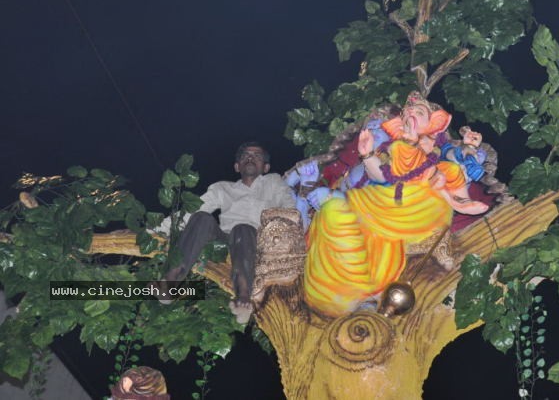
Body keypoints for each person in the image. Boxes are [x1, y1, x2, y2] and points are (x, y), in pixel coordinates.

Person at [303, 92, 489, 317]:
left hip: (411, 206)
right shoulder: (391, 147)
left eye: (418, 112)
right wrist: (368, 154)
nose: (410, 114)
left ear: (433, 124)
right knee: (332, 213)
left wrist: (469, 148)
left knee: (446, 172)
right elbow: (382, 177)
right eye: (406, 112)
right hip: (376, 203)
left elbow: (457, 161)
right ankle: (353, 294)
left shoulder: (438, 154)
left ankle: (461, 203)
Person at [157, 142, 295, 323]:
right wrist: (155, 229)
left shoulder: (274, 182)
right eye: (245, 155)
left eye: (257, 156)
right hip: (224, 239)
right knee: (201, 217)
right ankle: (171, 279)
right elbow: (191, 211)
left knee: (243, 228)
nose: (251, 158)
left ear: (266, 167)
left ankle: (243, 295)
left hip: (256, 240)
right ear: (237, 166)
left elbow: (290, 211)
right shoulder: (222, 188)